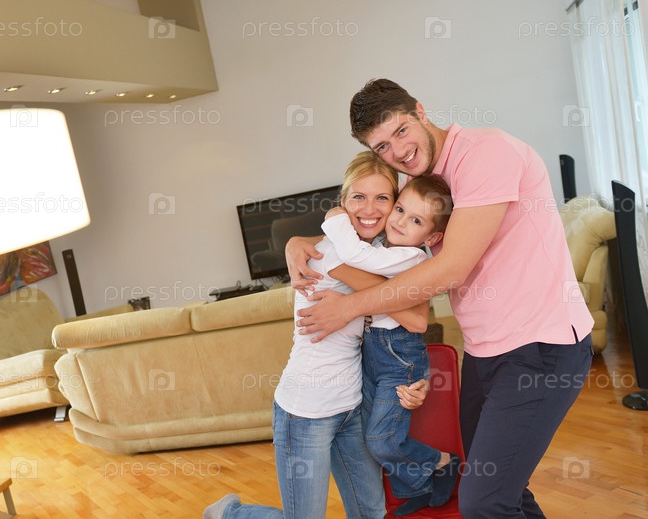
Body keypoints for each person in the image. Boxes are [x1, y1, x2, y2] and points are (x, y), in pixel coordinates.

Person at [288, 79, 595, 518]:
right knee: (505, 493)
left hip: (542, 346)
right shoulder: (423, 182)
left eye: (400, 131)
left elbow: (452, 268)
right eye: (382, 146)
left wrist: (349, 307)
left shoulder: (486, 154)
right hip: (486, 352)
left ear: (420, 110)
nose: (398, 151)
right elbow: (371, 236)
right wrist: (302, 241)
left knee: (484, 501)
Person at [204, 152, 428, 519]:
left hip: (351, 406)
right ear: (343, 201)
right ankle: (231, 514)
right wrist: (307, 244)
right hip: (306, 411)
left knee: (371, 514)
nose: (369, 209)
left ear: (394, 204)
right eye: (358, 197)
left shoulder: (373, 252)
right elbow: (413, 317)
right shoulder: (334, 256)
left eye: (382, 198)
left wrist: (415, 378)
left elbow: (398, 326)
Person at [322, 174, 459, 516]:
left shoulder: (412, 258)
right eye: (399, 209)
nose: (399, 221)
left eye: (416, 220)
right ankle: (418, 488)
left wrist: (335, 217)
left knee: (381, 440)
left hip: (399, 357)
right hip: (373, 350)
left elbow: (355, 255)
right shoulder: (386, 245)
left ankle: (441, 462)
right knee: (374, 433)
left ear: (432, 237)